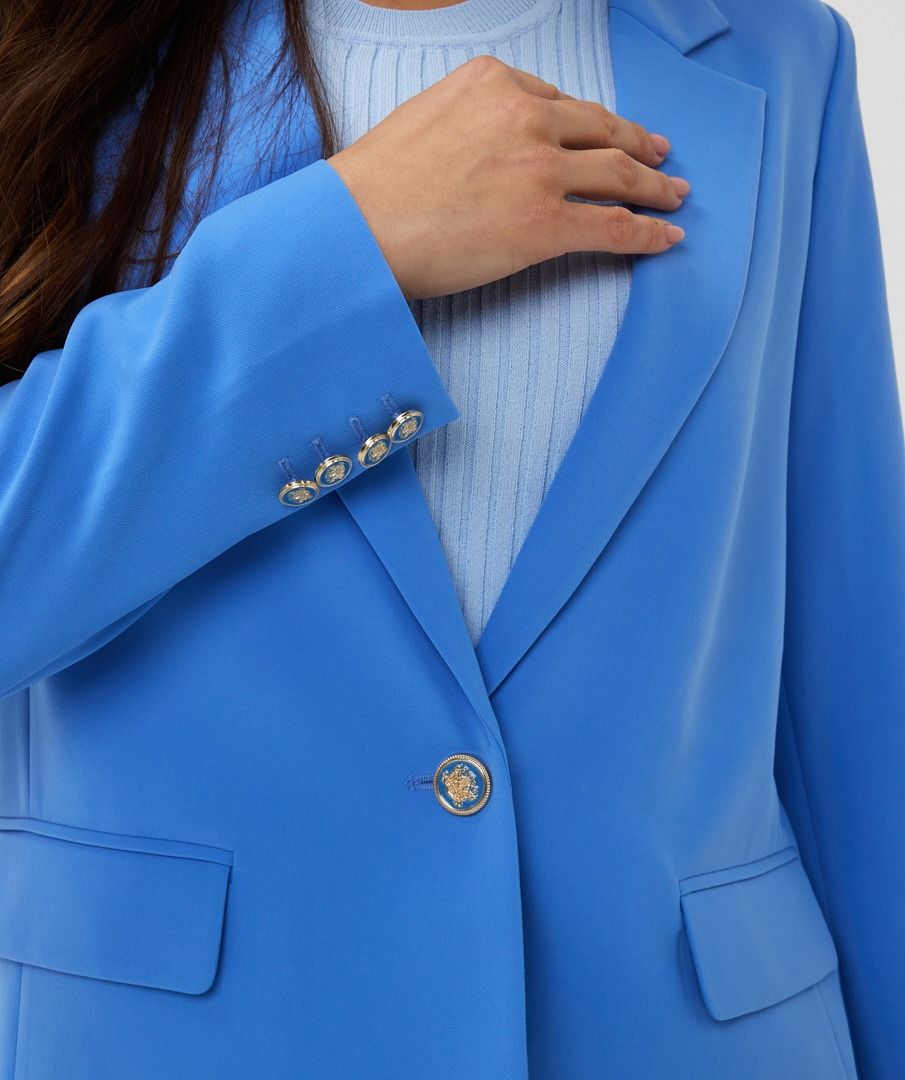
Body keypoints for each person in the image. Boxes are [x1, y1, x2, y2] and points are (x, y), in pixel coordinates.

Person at [0, 0, 901, 1077]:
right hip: (181, 1040)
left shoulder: (781, 54)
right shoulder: (54, 48)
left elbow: (850, 678)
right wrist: (346, 248)